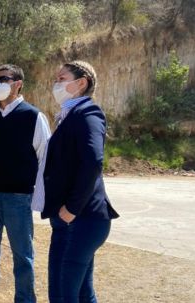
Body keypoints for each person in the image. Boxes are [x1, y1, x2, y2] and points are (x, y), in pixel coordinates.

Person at [32, 60, 119, 303]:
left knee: (62, 294)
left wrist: (72, 208)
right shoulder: (70, 116)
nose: (55, 84)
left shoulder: (87, 114)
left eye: (61, 79)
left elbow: (92, 163)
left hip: (80, 220)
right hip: (72, 221)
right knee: (81, 293)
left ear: (81, 83)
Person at [0, 64, 51, 303]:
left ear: (18, 83)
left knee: (23, 257)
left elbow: (45, 158)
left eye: (4, 79)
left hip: (18, 198)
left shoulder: (34, 116)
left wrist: (38, 198)